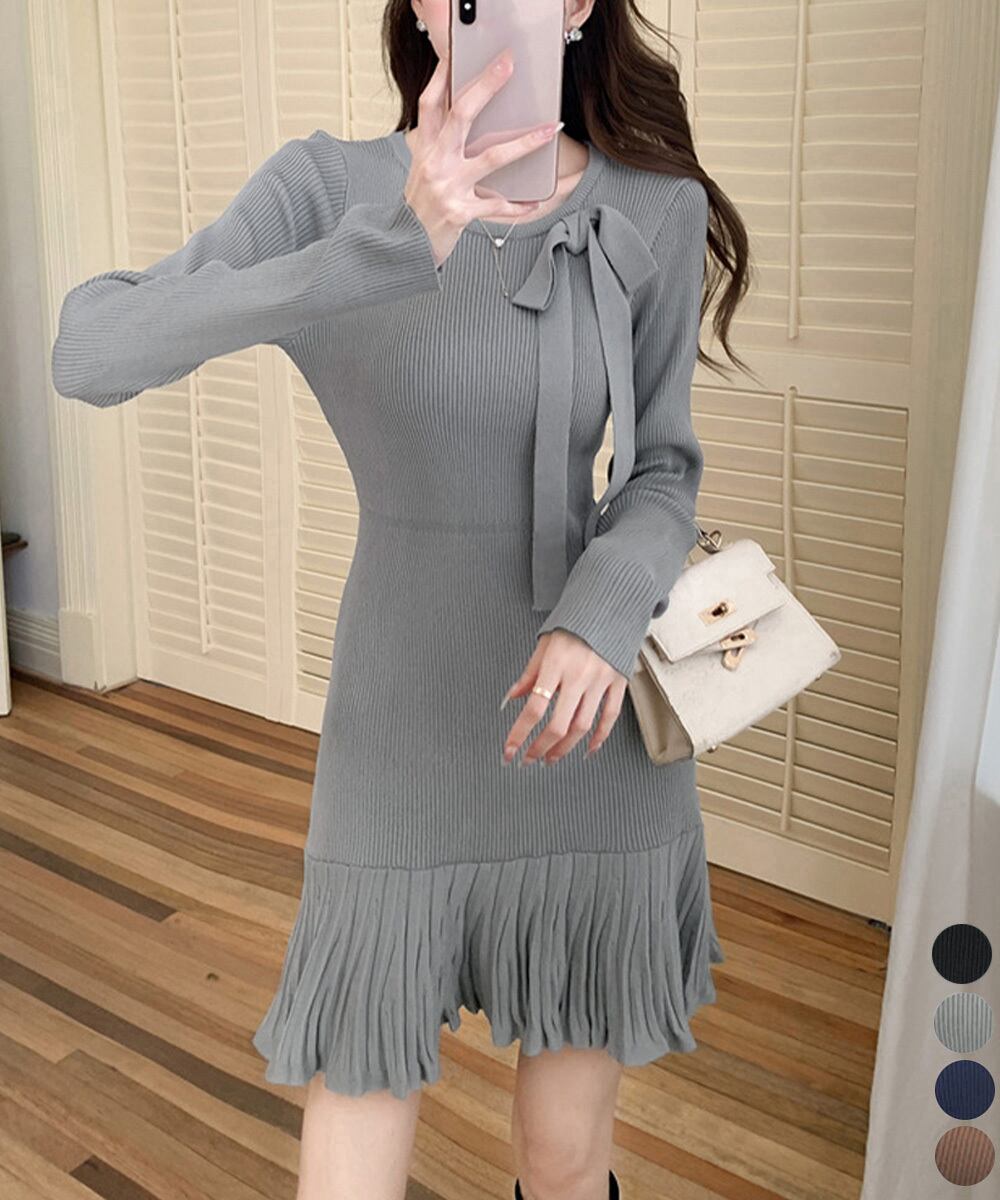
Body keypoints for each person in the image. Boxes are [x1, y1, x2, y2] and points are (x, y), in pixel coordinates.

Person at [51, 2, 752, 1197]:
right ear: (422, 8)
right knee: (355, 1129)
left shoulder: (652, 205)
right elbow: (90, 350)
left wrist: (600, 614)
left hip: (588, 728)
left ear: (578, 8)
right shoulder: (329, 188)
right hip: (403, 724)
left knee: (564, 1158)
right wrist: (385, 244)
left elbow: (662, 473)